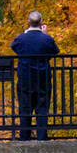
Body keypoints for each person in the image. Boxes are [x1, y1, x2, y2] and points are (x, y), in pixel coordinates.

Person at [10, 11, 60, 140]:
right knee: (42, 107)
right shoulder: (46, 39)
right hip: (42, 77)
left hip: (25, 77)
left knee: (25, 107)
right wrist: (45, 35)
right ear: (41, 22)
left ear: (28, 21)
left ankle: (24, 136)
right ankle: (42, 137)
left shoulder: (21, 38)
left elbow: (14, 47)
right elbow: (55, 51)